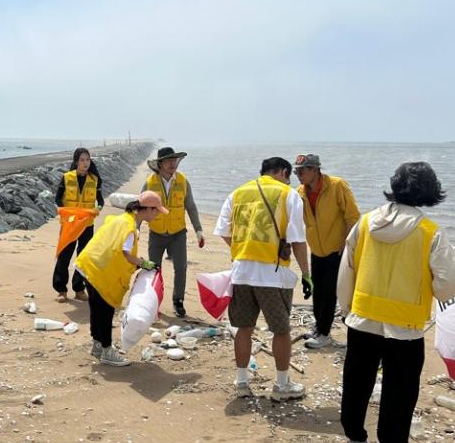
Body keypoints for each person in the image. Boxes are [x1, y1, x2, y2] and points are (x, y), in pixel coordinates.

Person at [338, 162, 455, 443]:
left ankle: (355, 442)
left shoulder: (366, 223)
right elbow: (450, 283)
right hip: (404, 327)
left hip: (363, 318)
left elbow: (347, 268)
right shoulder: (429, 232)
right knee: (400, 391)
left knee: (356, 382)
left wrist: (346, 308)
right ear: (430, 192)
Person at [214, 157, 312, 401]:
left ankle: (242, 382)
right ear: (282, 171)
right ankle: (281, 386)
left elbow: (224, 231)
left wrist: (244, 250)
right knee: (281, 330)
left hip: (242, 272)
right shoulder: (288, 195)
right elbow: (298, 241)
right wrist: (307, 275)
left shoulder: (237, 193)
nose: (289, 181)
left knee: (243, 328)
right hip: (273, 275)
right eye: (288, 176)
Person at [76, 191, 165, 367]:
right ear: (147, 209)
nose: (157, 214)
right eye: (156, 211)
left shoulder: (124, 218)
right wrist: (144, 263)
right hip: (100, 270)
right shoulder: (130, 227)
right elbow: (125, 253)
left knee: (96, 308)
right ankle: (107, 351)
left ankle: (97, 346)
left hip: (89, 264)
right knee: (106, 310)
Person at [294, 153, 360, 349]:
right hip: (316, 249)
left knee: (330, 292)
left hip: (336, 250)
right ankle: (318, 328)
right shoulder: (300, 192)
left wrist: (345, 244)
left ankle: (324, 333)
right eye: (296, 171)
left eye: (302, 170)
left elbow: (353, 216)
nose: (299, 174)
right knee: (317, 290)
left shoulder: (337, 186)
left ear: (315, 169)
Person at [140, 146, 204, 317]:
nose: (172, 164)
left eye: (174, 160)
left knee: (181, 268)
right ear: (160, 164)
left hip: (178, 233)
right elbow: (140, 209)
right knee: (154, 269)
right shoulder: (150, 183)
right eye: (168, 160)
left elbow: (190, 206)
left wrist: (198, 230)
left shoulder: (183, 181)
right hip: (156, 233)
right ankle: (153, 302)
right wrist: (135, 230)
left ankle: (178, 301)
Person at [52, 147, 103, 302]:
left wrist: (98, 209)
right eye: (82, 160)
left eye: (87, 160)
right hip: (70, 224)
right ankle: (61, 290)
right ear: (76, 161)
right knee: (64, 256)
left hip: (87, 224)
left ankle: (79, 289)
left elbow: (100, 201)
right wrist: (62, 211)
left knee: (83, 257)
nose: (85, 163)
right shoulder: (66, 177)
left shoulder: (94, 180)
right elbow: (58, 199)